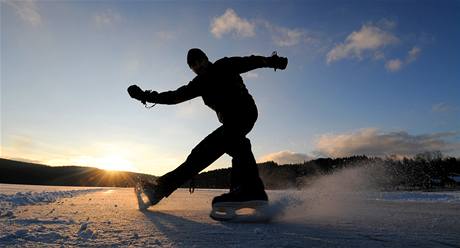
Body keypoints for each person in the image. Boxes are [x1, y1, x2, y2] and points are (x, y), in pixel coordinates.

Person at [128, 48, 287, 208]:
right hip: (230, 124)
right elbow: (173, 97)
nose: (197, 66)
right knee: (225, 148)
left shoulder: (224, 65)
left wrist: (270, 61)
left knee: (212, 149)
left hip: (245, 113)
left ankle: (248, 190)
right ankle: (251, 191)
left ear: (206, 59)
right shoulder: (199, 84)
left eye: (199, 61)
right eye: (193, 65)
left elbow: (250, 61)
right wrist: (145, 96)